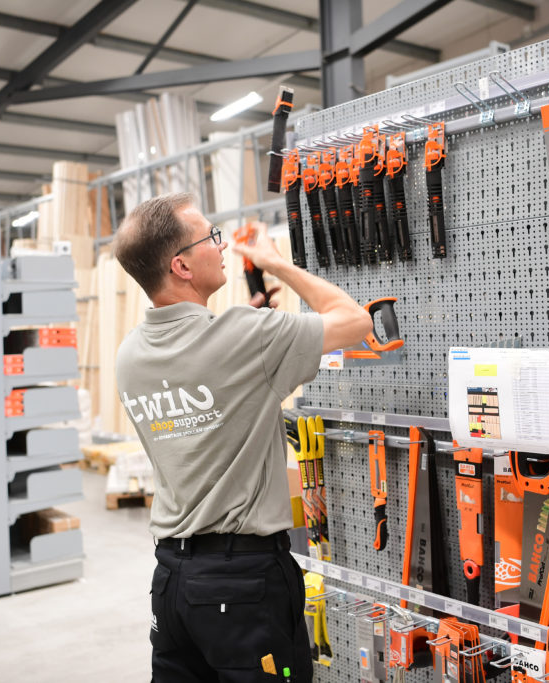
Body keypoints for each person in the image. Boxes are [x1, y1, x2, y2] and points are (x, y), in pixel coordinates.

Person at [112, 192, 371, 683]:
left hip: (171, 582)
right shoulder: (246, 336)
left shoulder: (130, 355)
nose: (221, 244)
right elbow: (355, 320)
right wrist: (276, 263)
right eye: (210, 237)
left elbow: (209, 383)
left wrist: (257, 340)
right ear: (181, 266)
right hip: (244, 584)